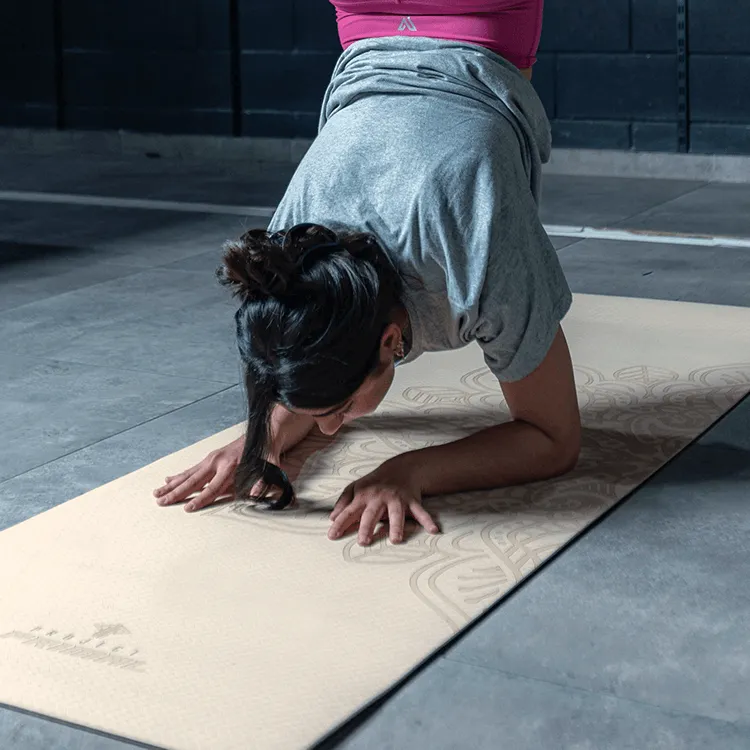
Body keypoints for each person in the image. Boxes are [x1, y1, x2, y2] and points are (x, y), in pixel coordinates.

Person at [154, 0, 582, 547]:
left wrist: (411, 470)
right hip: (374, 19)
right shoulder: (293, 258)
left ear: (388, 339)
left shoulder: (474, 255)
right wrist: (263, 438)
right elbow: (313, 358)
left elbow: (554, 437)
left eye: (340, 410)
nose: (333, 430)